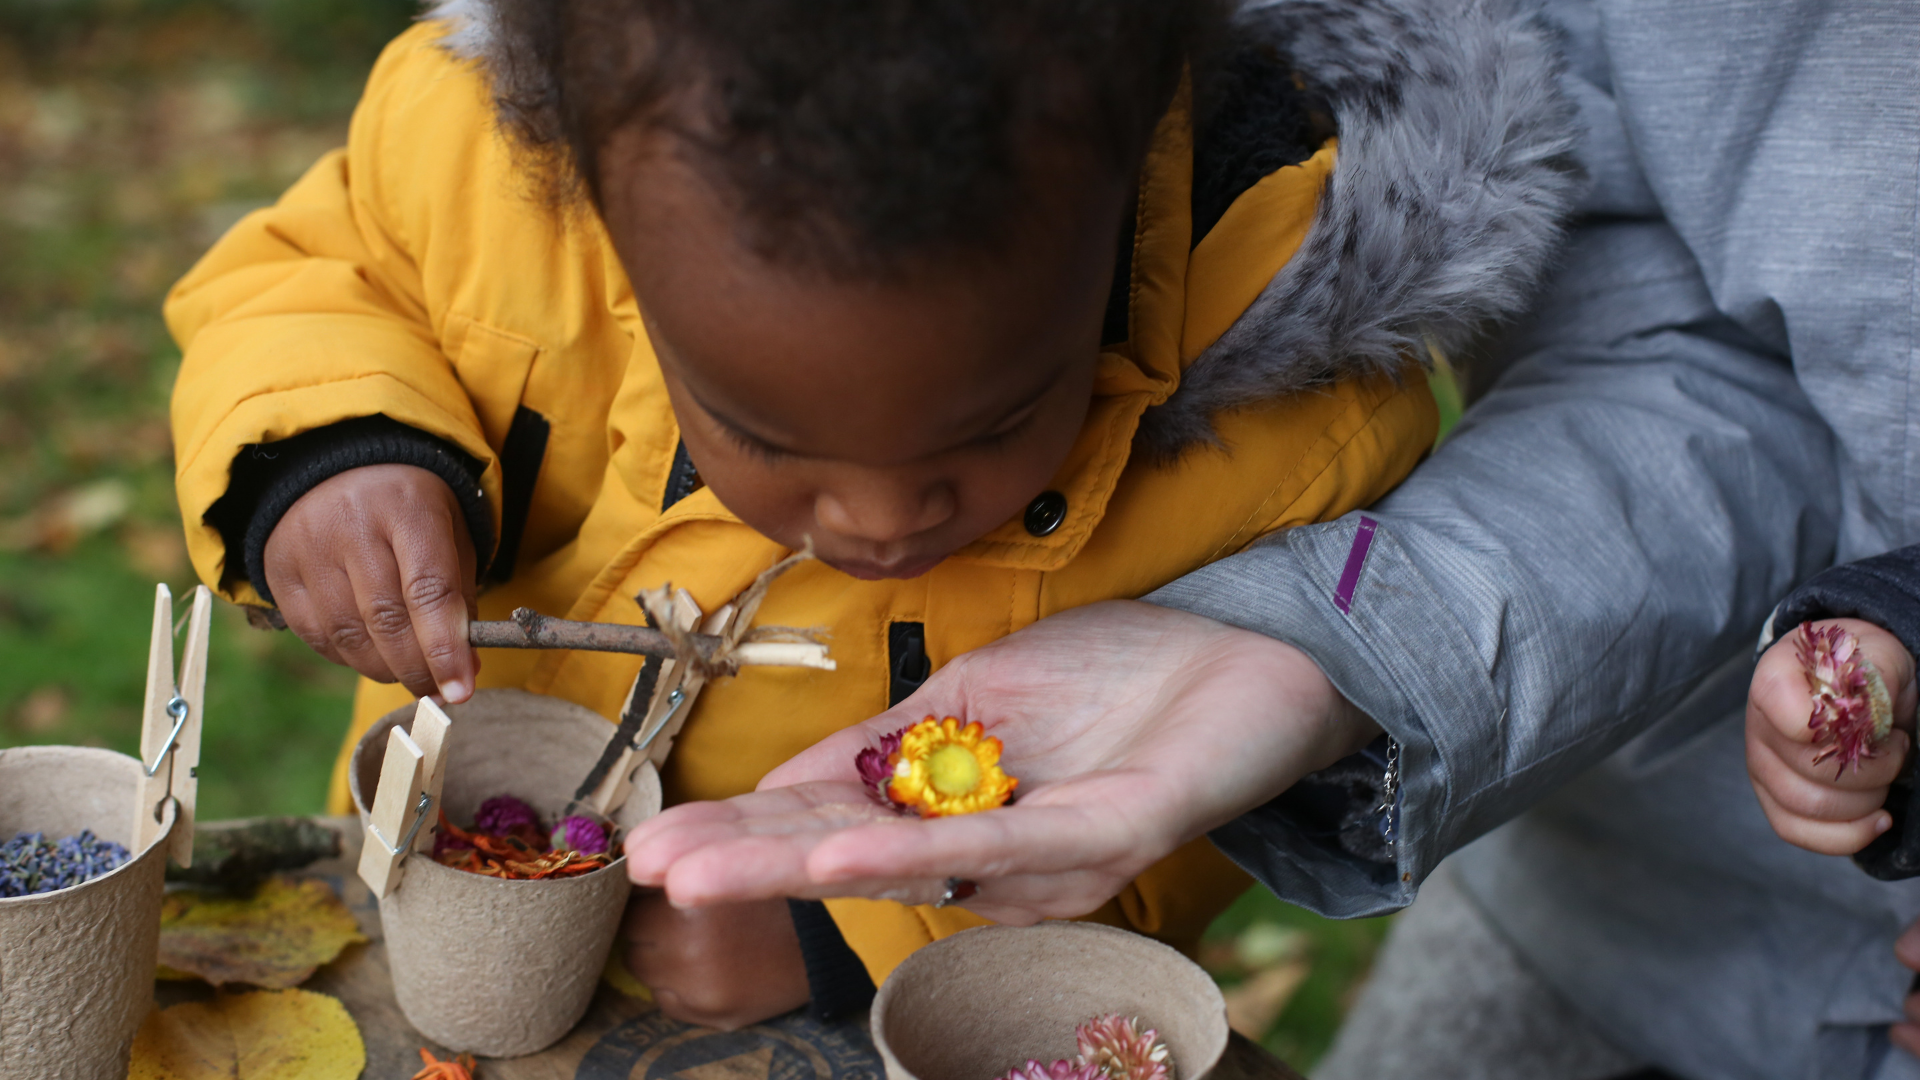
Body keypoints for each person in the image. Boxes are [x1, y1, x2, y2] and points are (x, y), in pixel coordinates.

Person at [162, 0, 1578, 1034]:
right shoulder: (474, 161)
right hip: (445, 902)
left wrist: (852, 938)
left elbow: (1199, 797)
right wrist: (329, 453)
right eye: (765, 434)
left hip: (886, 1014)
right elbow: (308, 279)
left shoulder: (1288, 426)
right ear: (594, 198)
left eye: (993, 428)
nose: (879, 520)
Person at [627, 0, 1920, 1075]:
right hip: (1646, 898)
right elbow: (1693, 357)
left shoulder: (1289, 424)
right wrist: (1319, 644)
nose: (877, 517)